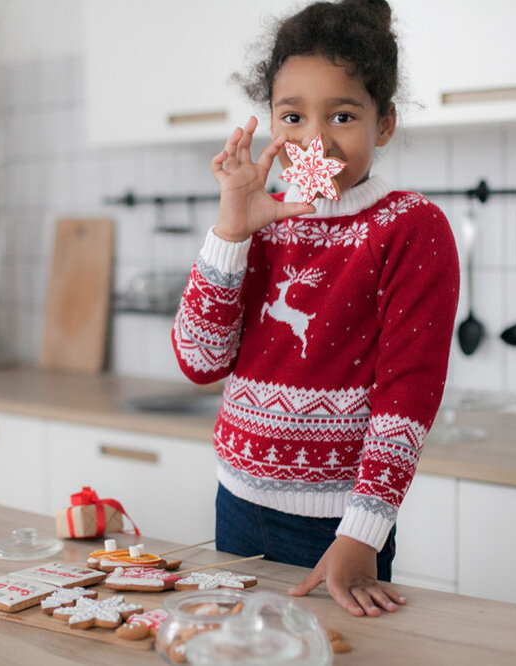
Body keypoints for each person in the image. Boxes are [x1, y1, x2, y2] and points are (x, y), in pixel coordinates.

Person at [171, 0, 460, 617]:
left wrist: (362, 532)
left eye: (345, 115)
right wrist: (231, 229)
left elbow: (407, 398)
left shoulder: (411, 227)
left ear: (384, 124)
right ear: (271, 120)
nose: (317, 139)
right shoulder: (255, 215)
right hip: (236, 502)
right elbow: (199, 359)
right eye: (293, 115)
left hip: (339, 524)